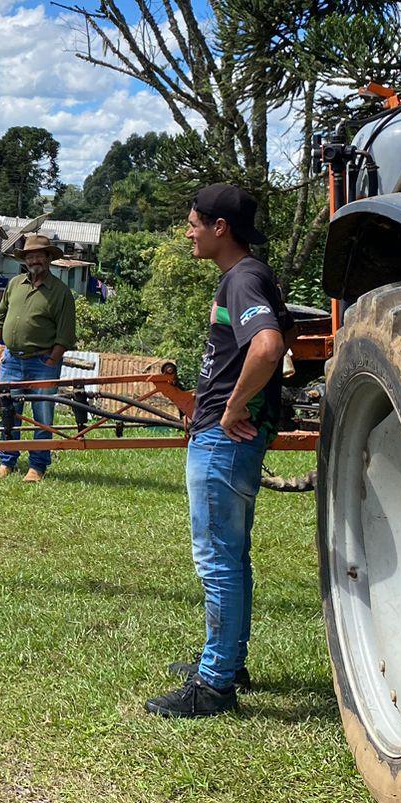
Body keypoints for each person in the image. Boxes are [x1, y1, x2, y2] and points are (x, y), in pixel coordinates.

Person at [145, 184, 293, 720]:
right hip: (222, 439)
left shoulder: (243, 278)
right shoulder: (247, 276)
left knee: (217, 561)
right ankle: (227, 662)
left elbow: (268, 345)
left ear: (219, 227)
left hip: (222, 441)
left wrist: (231, 407)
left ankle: (214, 684)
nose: (188, 232)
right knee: (232, 556)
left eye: (193, 224)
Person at [0, 233, 75, 482]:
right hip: (12, 360)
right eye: (30, 256)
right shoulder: (14, 284)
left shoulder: (60, 292)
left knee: (42, 416)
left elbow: (65, 335)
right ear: (25, 260)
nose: (35, 260)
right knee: (8, 411)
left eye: (39, 255)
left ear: (48, 259)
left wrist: (51, 360)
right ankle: (7, 461)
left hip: (42, 364)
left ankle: (37, 466)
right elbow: (0, 317)